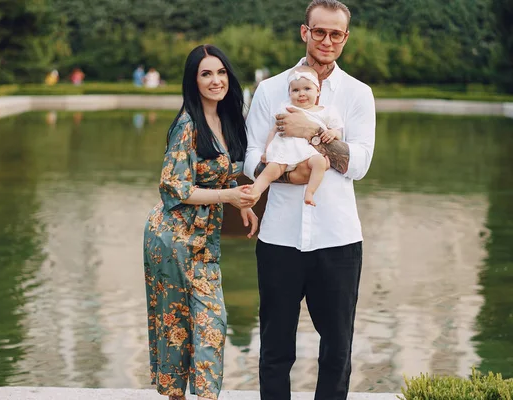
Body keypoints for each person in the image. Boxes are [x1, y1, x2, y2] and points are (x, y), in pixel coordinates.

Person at [244, 0, 376, 399]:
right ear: (305, 32)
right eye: (319, 31)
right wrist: (292, 174)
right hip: (279, 239)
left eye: (336, 34)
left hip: (338, 240)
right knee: (274, 349)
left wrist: (312, 133)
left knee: (337, 350)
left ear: (346, 38)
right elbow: (251, 157)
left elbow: (359, 164)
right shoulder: (270, 90)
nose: (327, 40)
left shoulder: (358, 93)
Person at [143, 44, 260, 400]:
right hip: (171, 239)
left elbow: (221, 172)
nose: (215, 80)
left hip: (203, 242)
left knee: (212, 323)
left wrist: (241, 202)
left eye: (221, 72)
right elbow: (172, 187)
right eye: (206, 74)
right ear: (193, 82)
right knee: (175, 327)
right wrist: (228, 197)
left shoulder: (226, 120)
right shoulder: (187, 124)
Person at [250, 65, 343, 206]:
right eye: (295, 90)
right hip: (285, 149)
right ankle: (254, 192)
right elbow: (274, 130)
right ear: (289, 93)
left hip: (308, 152)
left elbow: (339, 131)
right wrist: (267, 150)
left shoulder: (325, 112)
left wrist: (333, 133)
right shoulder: (287, 109)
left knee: (320, 162)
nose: (301, 93)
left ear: (318, 91)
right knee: (271, 170)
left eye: (307, 89)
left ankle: (310, 192)